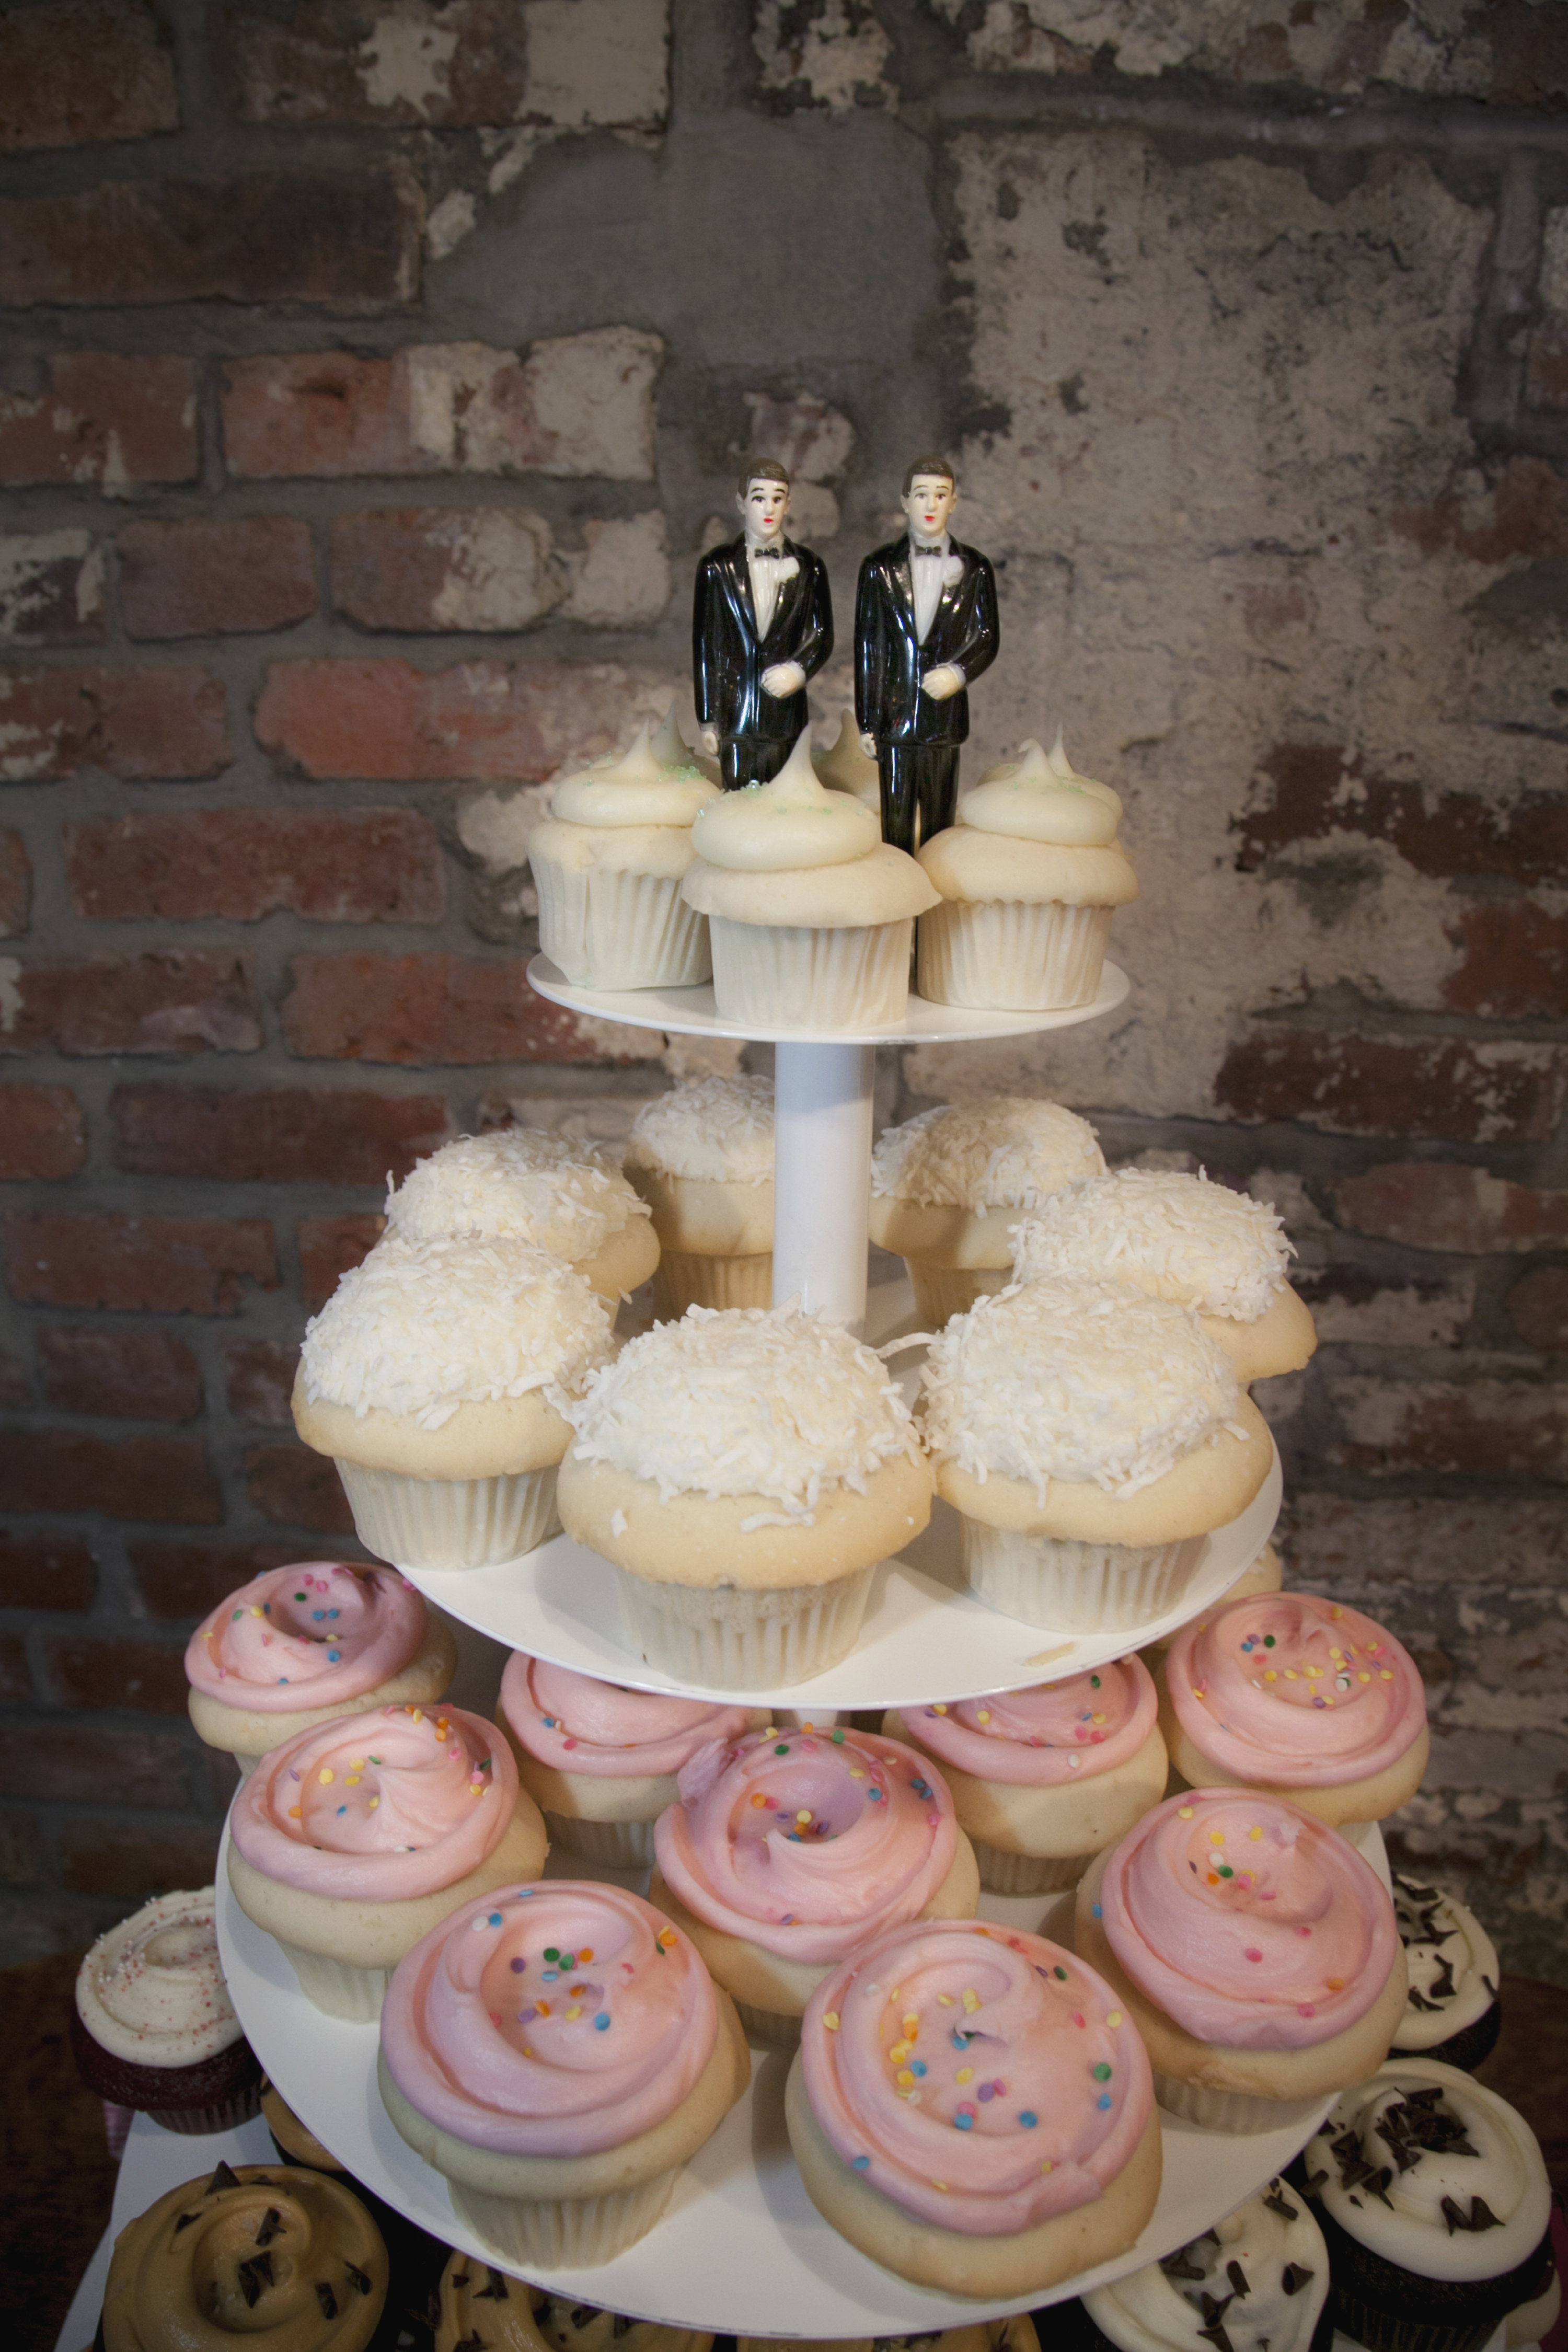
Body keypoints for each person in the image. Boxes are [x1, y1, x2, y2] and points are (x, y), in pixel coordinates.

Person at [855, 456, 999, 852]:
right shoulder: (879, 569)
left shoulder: (976, 569)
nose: (931, 505)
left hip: (943, 721)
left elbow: (987, 637)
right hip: (894, 719)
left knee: (940, 828)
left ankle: (934, 913)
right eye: (922, 495)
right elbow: (870, 647)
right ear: (905, 502)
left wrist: (958, 673)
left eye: (941, 495)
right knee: (896, 828)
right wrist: (868, 722)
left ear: (954, 502)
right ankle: (900, 908)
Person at [693, 459, 834, 791]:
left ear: (788, 504)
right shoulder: (717, 567)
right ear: (741, 502)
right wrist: (708, 718)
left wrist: (798, 670)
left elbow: (821, 635)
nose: (768, 508)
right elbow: (706, 647)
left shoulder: (810, 567)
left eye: (777, 498)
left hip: (786, 716)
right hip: (736, 713)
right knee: (739, 807)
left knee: (785, 803)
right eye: (759, 498)